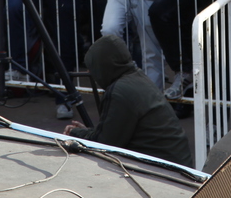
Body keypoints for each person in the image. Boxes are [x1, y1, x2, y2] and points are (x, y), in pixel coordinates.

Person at [62, 35, 194, 167]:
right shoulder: (136, 77)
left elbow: (105, 144)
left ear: (103, 65)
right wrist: (89, 132)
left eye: (92, 67)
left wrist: (75, 133)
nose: (89, 72)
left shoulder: (119, 91)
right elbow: (113, 134)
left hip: (165, 170)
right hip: (176, 164)